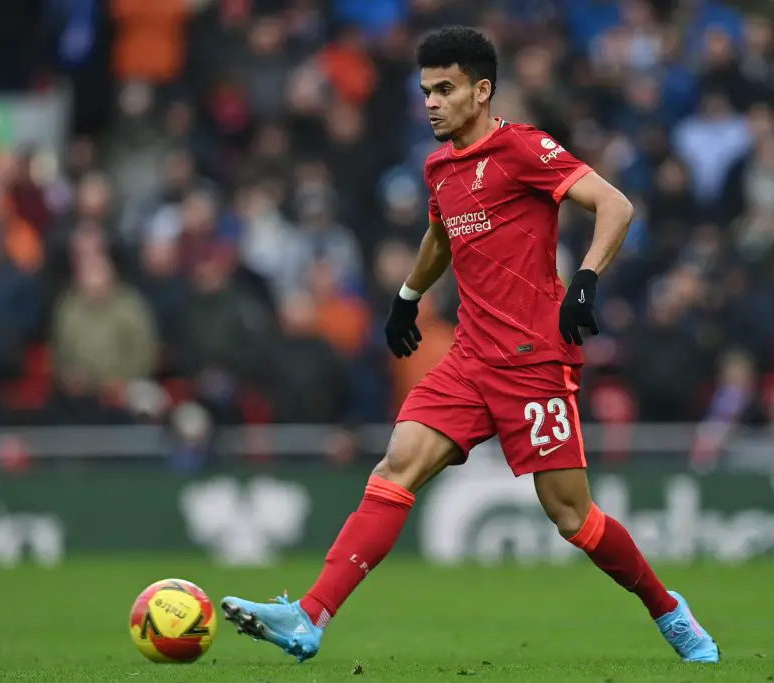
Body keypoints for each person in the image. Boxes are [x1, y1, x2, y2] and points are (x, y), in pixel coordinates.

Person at [221, 26, 720, 665]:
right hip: (468, 359)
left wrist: (587, 281)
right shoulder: (438, 166)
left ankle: (667, 609)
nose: (431, 102)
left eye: (445, 89)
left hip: (534, 361)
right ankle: (310, 615)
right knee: (395, 467)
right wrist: (406, 295)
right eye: (425, 90)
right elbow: (440, 235)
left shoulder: (523, 148)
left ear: (481, 91)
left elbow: (615, 206)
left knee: (574, 520)